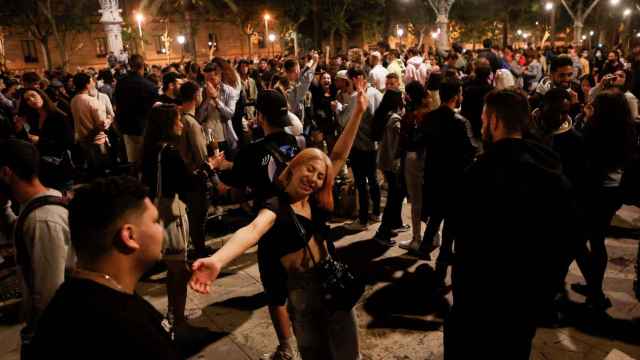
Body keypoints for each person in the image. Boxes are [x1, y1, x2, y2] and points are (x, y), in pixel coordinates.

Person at [190, 77, 370, 360]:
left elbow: (336, 155)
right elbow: (252, 230)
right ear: (294, 168)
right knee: (316, 354)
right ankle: (286, 347)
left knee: (350, 354)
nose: (313, 178)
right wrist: (217, 260)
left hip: (334, 285)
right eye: (308, 170)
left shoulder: (315, 199)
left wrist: (358, 111)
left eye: (320, 175)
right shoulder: (276, 203)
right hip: (303, 293)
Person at [445, 89, 579, 359]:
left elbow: (462, 235)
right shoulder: (552, 172)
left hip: (480, 303)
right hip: (525, 304)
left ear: (494, 122)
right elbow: (568, 239)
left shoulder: (479, 174)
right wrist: (544, 291)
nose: (483, 125)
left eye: (484, 120)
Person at [31, 176, 182, 359]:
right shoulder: (128, 331)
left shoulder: (68, 302)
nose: (161, 228)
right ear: (129, 236)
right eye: (155, 221)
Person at [216, 89, 302, 360]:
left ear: (260, 116)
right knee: (301, 284)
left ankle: (287, 348)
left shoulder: (253, 151)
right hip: (301, 221)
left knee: (275, 291)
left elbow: (237, 190)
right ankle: (307, 335)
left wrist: (216, 178)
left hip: (270, 225)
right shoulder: (299, 141)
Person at [141, 103, 222, 342]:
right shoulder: (169, 152)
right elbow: (188, 183)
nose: (181, 124)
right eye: (177, 120)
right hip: (171, 213)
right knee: (179, 270)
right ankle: (179, 322)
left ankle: (174, 315)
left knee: (174, 269)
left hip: (155, 210)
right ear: (168, 124)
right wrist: (210, 166)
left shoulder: (151, 149)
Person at [0, 139, 75, 359]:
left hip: (54, 333)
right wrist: (3, 208)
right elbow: (23, 231)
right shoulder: (40, 201)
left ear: (6, 173)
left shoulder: (42, 220)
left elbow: (49, 292)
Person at [571, 91, 637, 312]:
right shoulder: (627, 129)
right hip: (614, 191)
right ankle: (594, 288)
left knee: (579, 241)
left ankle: (596, 292)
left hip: (595, 192)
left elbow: (584, 155)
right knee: (597, 241)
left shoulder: (596, 130)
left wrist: (586, 121)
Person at [417, 77, 478, 274]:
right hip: (454, 177)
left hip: (434, 174)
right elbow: (471, 149)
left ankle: (425, 247)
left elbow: (419, 142)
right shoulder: (460, 122)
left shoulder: (430, 117)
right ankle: (444, 253)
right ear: (455, 96)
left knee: (436, 215)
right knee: (451, 219)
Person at [342, 68, 383, 231]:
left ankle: (363, 219)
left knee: (360, 182)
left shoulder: (356, 97)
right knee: (373, 179)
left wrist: (338, 110)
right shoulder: (377, 93)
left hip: (360, 145)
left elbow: (345, 121)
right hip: (374, 145)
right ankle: (376, 213)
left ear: (355, 79)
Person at [16, 87, 74, 190]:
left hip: (59, 166)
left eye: (33, 96)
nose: (31, 100)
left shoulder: (58, 116)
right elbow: (27, 141)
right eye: (28, 100)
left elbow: (67, 143)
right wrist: (20, 130)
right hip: (42, 167)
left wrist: (40, 141)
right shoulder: (33, 117)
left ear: (41, 95)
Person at [372, 89, 407, 246]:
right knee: (394, 197)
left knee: (395, 195)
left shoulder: (385, 116)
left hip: (386, 163)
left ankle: (390, 227)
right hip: (392, 164)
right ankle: (383, 232)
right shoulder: (395, 120)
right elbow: (398, 144)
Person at [113, 54, 158, 165]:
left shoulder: (121, 83)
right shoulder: (150, 86)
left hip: (125, 127)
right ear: (143, 66)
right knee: (145, 161)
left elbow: (117, 104)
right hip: (144, 128)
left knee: (132, 160)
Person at [198, 59, 240, 154]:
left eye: (212, 79)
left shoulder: (229, 91)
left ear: (219, 76)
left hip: (224, 136)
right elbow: (199, 118)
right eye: (206, 80)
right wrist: (208, 100)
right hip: (208, 136)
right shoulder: (202, 92)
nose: (208, 83)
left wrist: (216, 99)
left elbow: (229, 114)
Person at [284, 52, 319, 123]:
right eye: (299, 69)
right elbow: (306, 79)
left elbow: (304, 72)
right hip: (293, 122)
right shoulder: (292, 88)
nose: (300, 71)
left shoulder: (282, 82)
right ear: (297, 70)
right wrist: (315, 62)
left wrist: (311, 61)